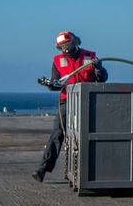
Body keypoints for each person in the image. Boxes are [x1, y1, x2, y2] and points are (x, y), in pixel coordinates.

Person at [33, 31, 107, 182]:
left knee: (91, 135)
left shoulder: (90, 57)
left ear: (76, 43)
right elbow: (54, 85)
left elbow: (101, 80)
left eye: (67, 45)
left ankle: (98, 170)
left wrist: (99, 68)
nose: (65, 50)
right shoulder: (57, 61)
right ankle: (43, 169)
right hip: (67, 101)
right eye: (61, 47)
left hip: (88, 101)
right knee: (57, 134)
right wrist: (50, 84)